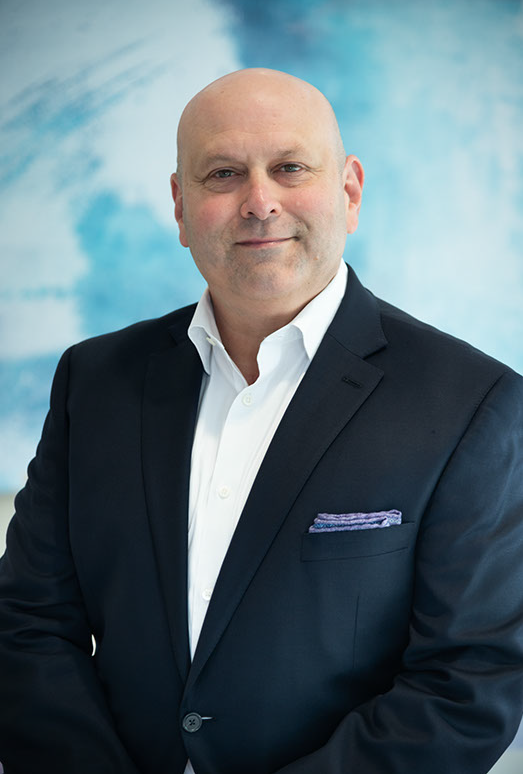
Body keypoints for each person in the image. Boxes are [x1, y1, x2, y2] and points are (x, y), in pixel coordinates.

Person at [1, 68, 523, 774]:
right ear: (181, 207)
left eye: (289, 168)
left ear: (348, 190)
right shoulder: (93, 382)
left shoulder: (473, 402)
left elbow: (468, 678)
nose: (258, 202)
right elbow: (26, 623)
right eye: (221, 173)